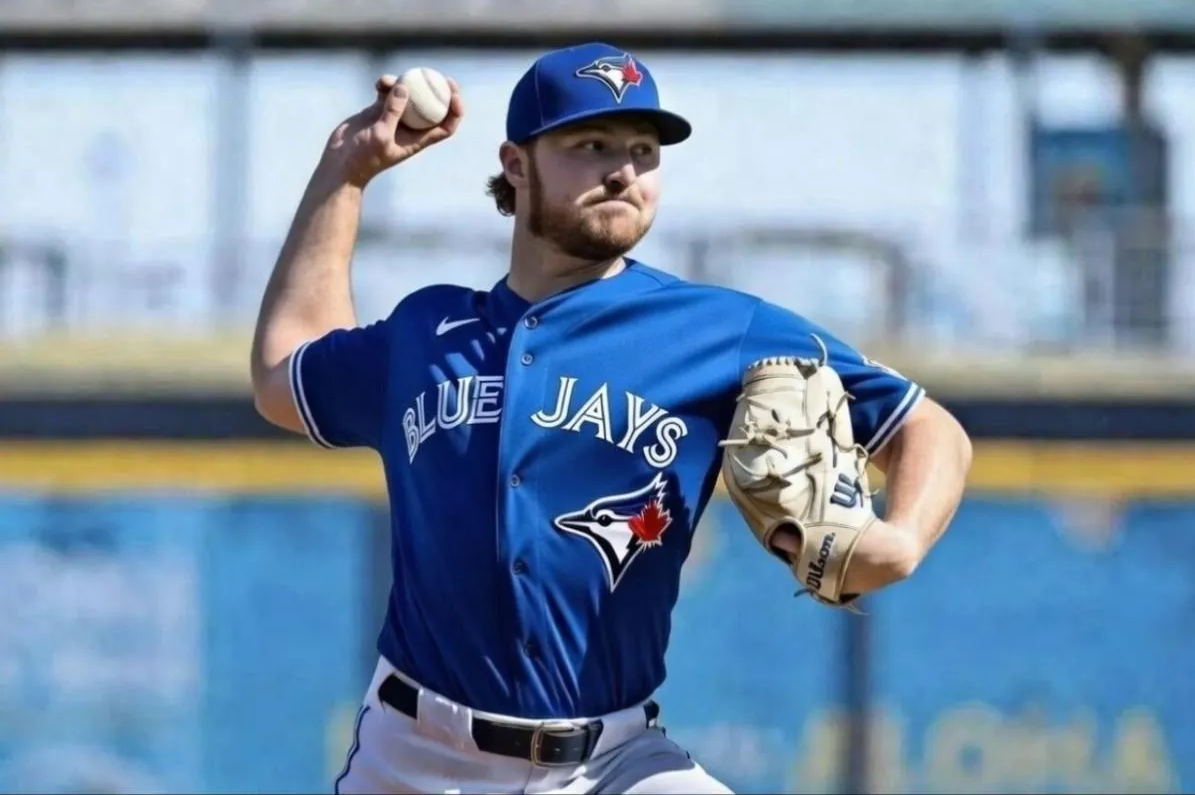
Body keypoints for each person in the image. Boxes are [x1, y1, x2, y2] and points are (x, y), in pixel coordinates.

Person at [249, 41, 972, 795]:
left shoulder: (721, 330)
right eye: (590, 145)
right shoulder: (427, 334)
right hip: (414, 761)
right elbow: (283, 371)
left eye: (643, 150)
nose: (623, 170)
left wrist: (903, 536)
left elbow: (928, 429)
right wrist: (346, 170)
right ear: (518, 164)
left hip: (612, 765)